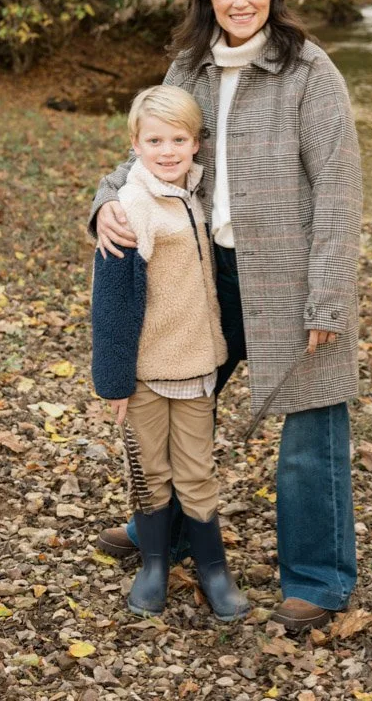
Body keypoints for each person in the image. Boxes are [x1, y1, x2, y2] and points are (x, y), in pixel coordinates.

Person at [89, 0, 363, 634]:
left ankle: (319, 580)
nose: (240, 1)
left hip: (294, 277)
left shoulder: (310, 71)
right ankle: (167, 531)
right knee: (183, 400)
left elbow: (338, 189)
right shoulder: (189, 71)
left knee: (310, 428)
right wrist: (104, 204)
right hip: (203, 272)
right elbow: (152, 153)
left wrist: (328, 294)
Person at [90, 86, 250, 621]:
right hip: (145, 374)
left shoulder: (195, 194)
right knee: (151, 472)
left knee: (197, 472)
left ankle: (213, 568)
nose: (167, 150)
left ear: (196, 145)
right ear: (135, 144)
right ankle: (154, 565)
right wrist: (114, 383)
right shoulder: (133, 205)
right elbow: (112, 303)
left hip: (198, 366)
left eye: (178, 139)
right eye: (155, 140)